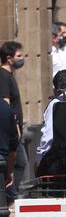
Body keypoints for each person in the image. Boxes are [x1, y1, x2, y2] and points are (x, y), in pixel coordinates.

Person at [0, 41, 25, 196]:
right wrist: (15, 126)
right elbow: (6, 102)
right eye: (19, 56)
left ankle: (10, 193)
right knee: (20, 162)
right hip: (12, 131)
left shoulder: (9, 75)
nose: (22, 58)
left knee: (20, 163)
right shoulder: (3, 76)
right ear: (9, 58)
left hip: (15, 130)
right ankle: (9, 194)